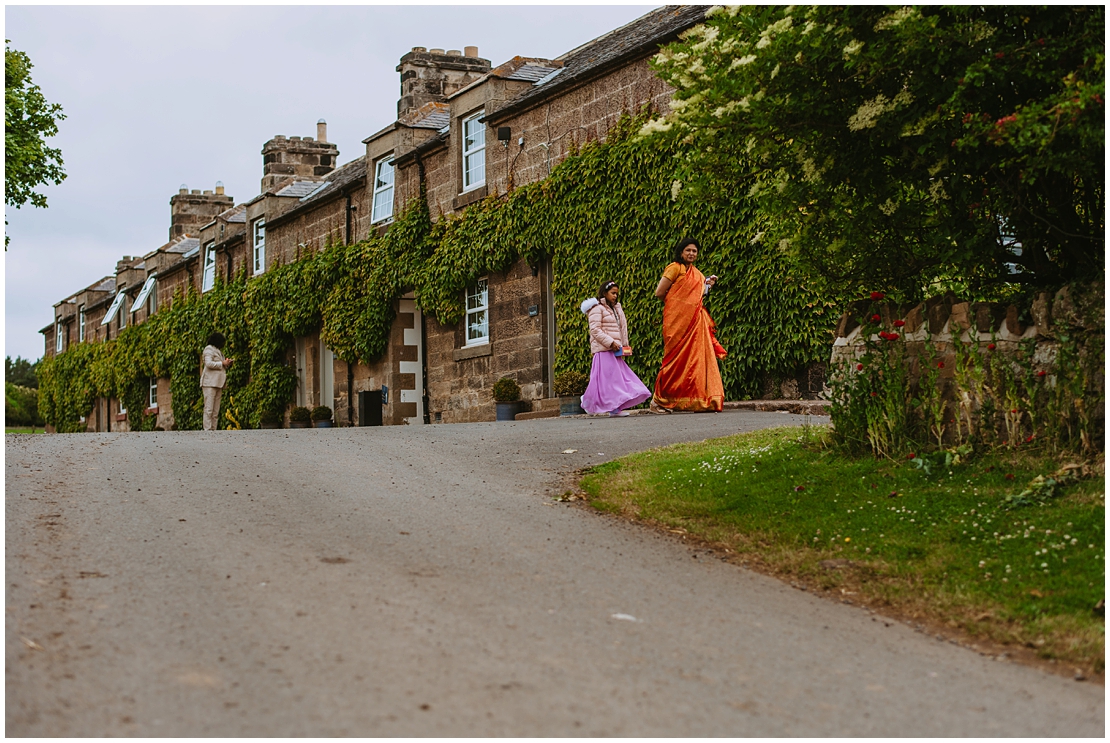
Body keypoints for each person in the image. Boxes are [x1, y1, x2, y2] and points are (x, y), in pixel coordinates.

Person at [650, 237, 727, 413]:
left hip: (694, 322)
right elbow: (660, 292)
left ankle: (688, 400)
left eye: (694, 251)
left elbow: (695, 296)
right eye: (688, 250)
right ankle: (658, 401)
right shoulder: (674, 268)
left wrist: (708, 286)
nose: (691, 253)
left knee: (693, 361)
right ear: (681, 252)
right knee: (673, 361)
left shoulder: (698, 274)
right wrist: (677, 306)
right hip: (676, 321)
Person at [580, 280, 652, 417]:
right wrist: (610, 342)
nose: (615, 296)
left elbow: (621, 328)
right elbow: (595, 330)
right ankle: (591, 401)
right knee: (607, 381)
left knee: (615, 380)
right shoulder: (596, 308)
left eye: (616, 294)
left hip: (614, 349)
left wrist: (623, 345)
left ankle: (610, 406)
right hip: (604, 350)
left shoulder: (616, 308)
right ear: (604, 293)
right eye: (612, 293)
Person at [200, 332, 234, 431]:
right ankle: (207, 430)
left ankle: (213, 429)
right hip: (209, 383)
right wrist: (222, 363)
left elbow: (221, 365)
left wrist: (227, 364)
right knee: (209, 409)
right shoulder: (209, 349)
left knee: (216, 410)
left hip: (219, 383)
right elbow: (209, 363)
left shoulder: (218, 351)